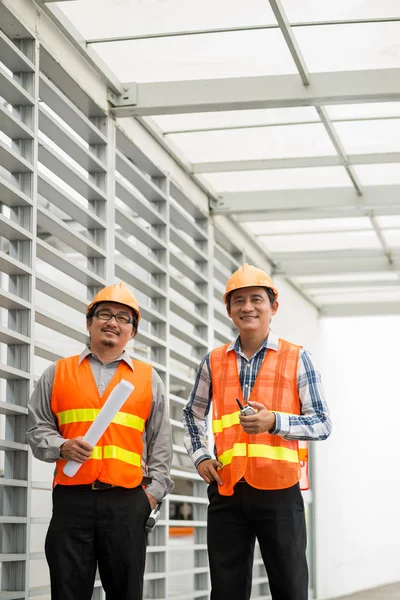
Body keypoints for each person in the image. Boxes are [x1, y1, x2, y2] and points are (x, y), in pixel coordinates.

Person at [183, 263, 331, 600]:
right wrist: (201, 456)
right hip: (227, 490)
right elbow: (191, 414)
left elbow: (322, 423)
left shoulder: (298, 358)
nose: (247, 307)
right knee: (226, 590)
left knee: (290, 587)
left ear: (273, 307)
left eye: (256, 299)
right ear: (229, 310)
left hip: (280, 491)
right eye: (239, 301)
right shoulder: (213, 361)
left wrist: (274, 421)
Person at [27, 282, 173, 600]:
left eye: (123, 318)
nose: (113, 322)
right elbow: (37, 430)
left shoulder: (149, 379)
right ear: (89, 322)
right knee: (68, 592)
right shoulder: (57, 373)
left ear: (132, 332)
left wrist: (150, 497)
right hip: (71, 502)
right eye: (105, 314)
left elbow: (161, 442)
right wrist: (61, 446)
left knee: (126, 593)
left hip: (127, 504)